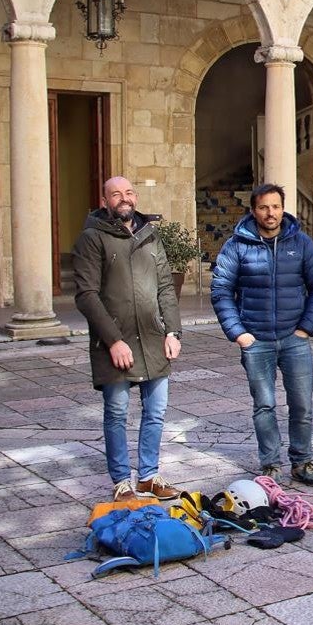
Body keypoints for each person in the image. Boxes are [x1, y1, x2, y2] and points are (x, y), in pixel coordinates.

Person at [212, 183, 313, 486]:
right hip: (256, 340)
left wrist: (306, 327)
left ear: (283, 208)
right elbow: (221, 290)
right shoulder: (237, 245)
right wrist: (238, 333)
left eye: (275, 206)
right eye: (264, 207)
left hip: (295, 338)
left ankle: (302, 461)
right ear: (253, 210)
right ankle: (270, 464)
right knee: (264, 405)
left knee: (302, 403)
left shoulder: (301, 243)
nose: (270, 213)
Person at [73, 176, 182, 502]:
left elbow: (165, 286)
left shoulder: (150, 234)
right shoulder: (92, 238)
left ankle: (148, 477)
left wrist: (173, 331)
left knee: (156, 411)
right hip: (115, 343)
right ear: (104, 201)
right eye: (116, 194)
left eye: (129, 192)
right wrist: (114, 341)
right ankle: (122, 481)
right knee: (117, 413)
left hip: (152, 339)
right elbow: (86, 295)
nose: (124, 198)